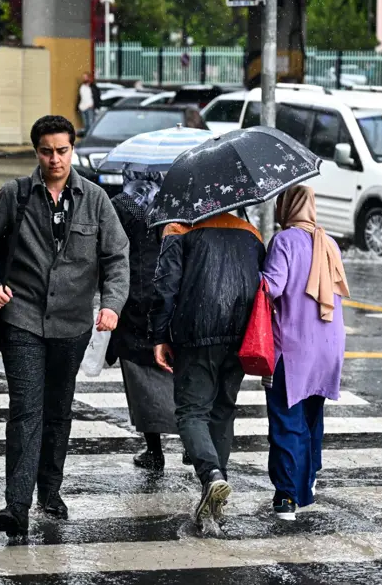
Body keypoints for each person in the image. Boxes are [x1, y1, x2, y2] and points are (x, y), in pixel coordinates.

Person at [0, 115, 130, 539]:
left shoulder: (95, 200)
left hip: (73, 325)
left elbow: (116, 258)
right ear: (36, 151)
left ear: (72, 149)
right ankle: (15, 506)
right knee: (25, 410)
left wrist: (111, 305)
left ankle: (50, 491)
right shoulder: (15, 195)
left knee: (57, 411)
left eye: (62, 150)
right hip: (22, 319)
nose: (55, 159)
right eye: (46, 151)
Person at [150, 211, 265, 527]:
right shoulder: (250, 233)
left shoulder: (178, 229)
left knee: (191, 412)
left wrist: (159, 335)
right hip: (241, 333)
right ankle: (217, 490)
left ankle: (211, 474)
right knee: (223, 410)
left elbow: (165, 286)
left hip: (197, 332)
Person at [261, 185, 350, 520]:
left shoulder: (284, 241)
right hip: (328, 348)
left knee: (286, 419)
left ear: (286, 205)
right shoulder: (330, 243)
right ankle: (307, 481)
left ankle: (286, 496)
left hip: (293, 347)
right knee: (312, 417)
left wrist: (247, 272)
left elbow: (272, 286)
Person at [106, 170, 177, 471]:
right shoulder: (174, 203)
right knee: (176, 370)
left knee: (140, 379)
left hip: (134, 297)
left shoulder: (121, 205)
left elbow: (109, 249)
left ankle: (154, 450)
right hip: (170, 294)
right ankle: (192, 436)